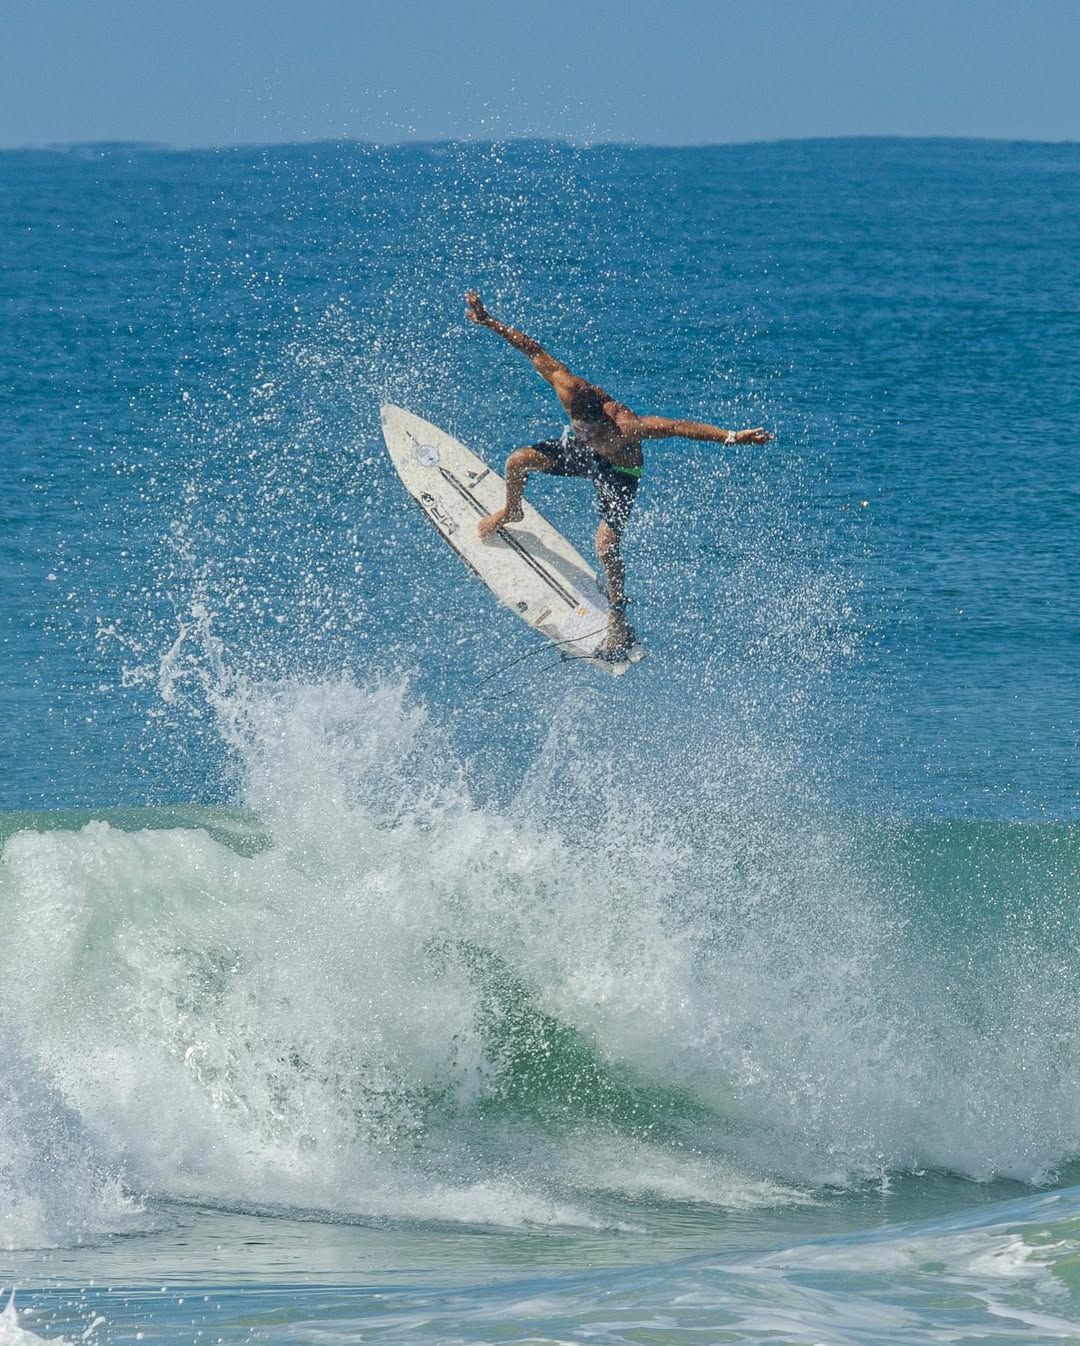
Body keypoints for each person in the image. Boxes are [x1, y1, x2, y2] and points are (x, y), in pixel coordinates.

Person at [465, 291, 773, 659]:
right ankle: (511, 510)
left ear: (606, 423)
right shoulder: (568, 389)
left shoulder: (629, 427)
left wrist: (733, 437)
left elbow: (678, 426)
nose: (585, 433)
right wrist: (488, 321)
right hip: (586, 458)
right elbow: (532, 349)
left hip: (620, 472)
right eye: (580, 428)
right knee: (518, 461)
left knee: (605, 547)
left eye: (592, 432)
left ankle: (619, 619)